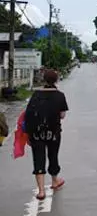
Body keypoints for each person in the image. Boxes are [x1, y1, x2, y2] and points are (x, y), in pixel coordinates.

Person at [25, 69, 68, 200]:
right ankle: (54, 181)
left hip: (36, 133)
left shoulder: (35, 94)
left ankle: (41, 191)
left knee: (38, 158)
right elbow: (62, 115)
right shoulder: (60, 95)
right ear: (56, 80)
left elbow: (28, 113)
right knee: (53, 156)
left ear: (44, 80)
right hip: (53, 132)